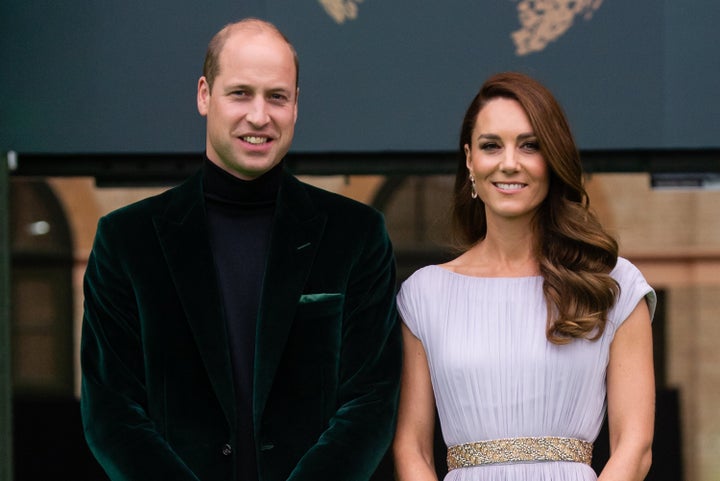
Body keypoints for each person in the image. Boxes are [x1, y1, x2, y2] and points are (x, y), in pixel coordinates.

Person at [80, 18, 401, 481]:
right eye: (240, 93)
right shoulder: (127, 241)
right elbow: (112, 413)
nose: (259, 115)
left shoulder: (357, 236)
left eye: (277, 96)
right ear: (204, 95)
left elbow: (370, 401)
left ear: (296, 105)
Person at [393, 72, 655, 481]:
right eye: (491, 146)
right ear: (469, 160)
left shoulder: (613, 285)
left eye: (529, 145)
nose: (509, 162)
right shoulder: (424, 293)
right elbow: (412, 449)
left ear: (552, 159)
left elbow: (634, 448)